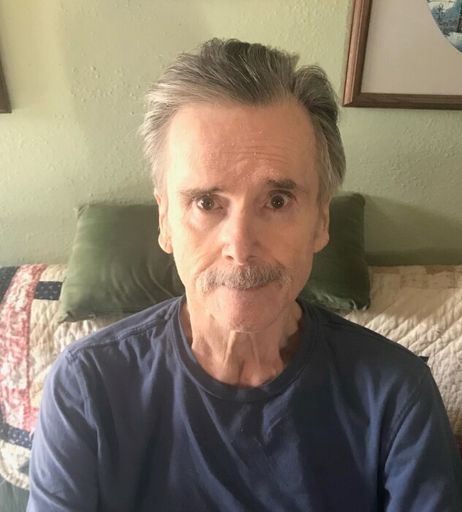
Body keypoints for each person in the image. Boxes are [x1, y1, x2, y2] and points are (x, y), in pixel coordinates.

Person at [28, 39, 462, 511]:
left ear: (321, 220)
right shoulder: (87, 386)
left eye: (277, 201)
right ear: (165, 221)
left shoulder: (396, 393)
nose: (240, 247)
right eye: (206, 202)